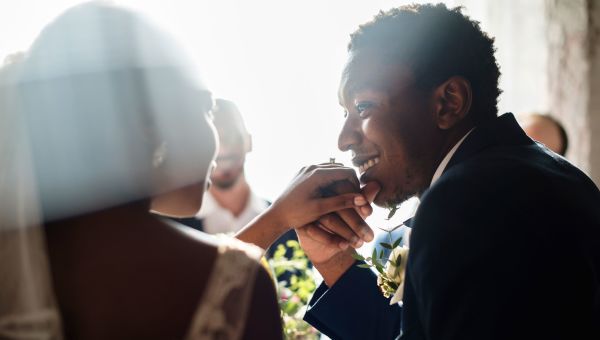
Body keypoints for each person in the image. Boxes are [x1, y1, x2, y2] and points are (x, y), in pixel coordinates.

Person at [0, 2, 372, 339]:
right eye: (207, 109)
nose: (219, 145)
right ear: (152, 126)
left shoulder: (16, 269)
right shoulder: (233, 286)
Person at [295, 4, 600, 339]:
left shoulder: (462, 202)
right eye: (345, 113)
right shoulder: (557, 177)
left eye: (364, 106)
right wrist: (335, 262)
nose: (344, 139)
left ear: (449, 102)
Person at [170, 98, 297, 258]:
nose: (223, 149)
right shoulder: (172, 224)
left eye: (232, 136)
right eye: (216, 139)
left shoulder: (290, 225)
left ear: (249, 142)